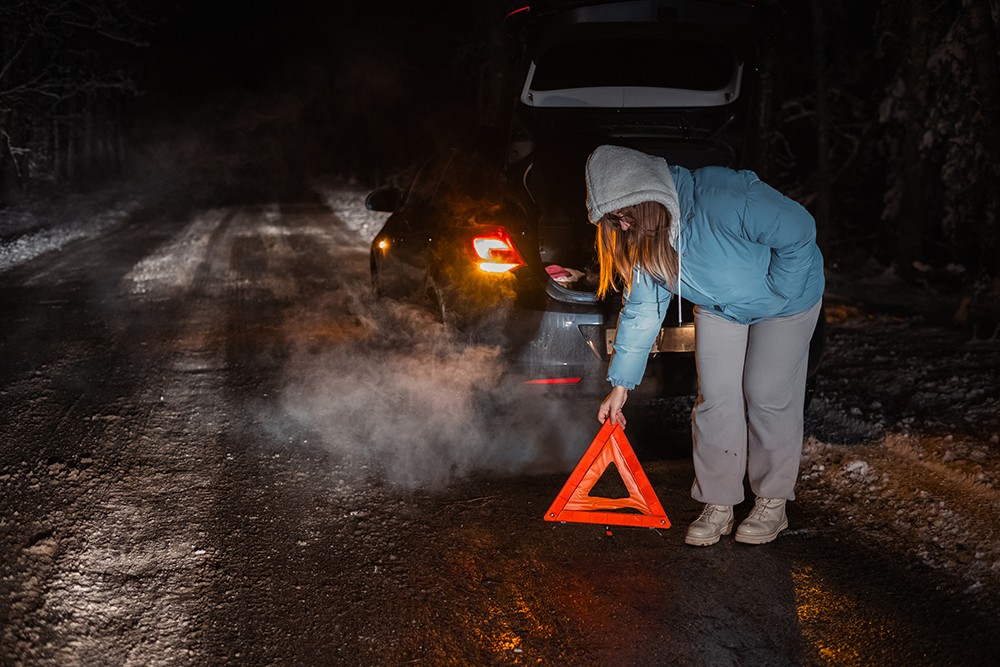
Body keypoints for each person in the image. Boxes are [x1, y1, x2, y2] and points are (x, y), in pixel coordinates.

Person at [585, 145, 825, 547]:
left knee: (766, 393)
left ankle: (772, 502)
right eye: (614, 219)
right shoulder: (646, 237)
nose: (623, 226)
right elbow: (643, 309)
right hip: (720, 307)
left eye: (626, 214)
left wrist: (780, 290)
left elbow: (800, 230)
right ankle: (719, 502)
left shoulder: (724, 197)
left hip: (787, 303)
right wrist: (621, 386)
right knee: (715, 398)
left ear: (647, 196)